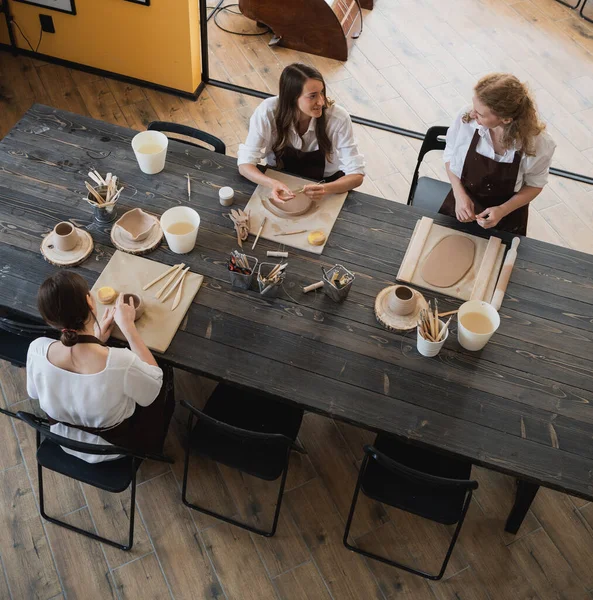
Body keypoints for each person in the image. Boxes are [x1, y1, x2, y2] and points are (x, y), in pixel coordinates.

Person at [26, 271, 174, 463]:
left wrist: (95, 341)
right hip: (109, 448)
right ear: (90, 302)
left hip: (63, 439)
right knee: (163, 370)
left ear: (49, 320)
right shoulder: (121, 362)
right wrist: (128, 328)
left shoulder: (37, 350)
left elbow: (33, 393)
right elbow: (154, 386)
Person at [441, 73, 556, 235]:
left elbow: (535, 184)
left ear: (506, 119)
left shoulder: (538, 145)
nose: (472, 115)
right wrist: (459, 194)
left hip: (507, 215)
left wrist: (502, 210)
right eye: (474, 108)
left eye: (480, 114)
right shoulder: (466, 119)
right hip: (461, 203)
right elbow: (450, 155)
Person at [238, 63, 365, 203]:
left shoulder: (338, 118)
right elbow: (245, 165)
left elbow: (356, 175)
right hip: (280, 179)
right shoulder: (267, 112)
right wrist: (272, 183)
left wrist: (325, 189)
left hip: (326, 185)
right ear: (292, 98)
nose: (321, 102)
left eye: (322, 92)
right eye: (313, 96)